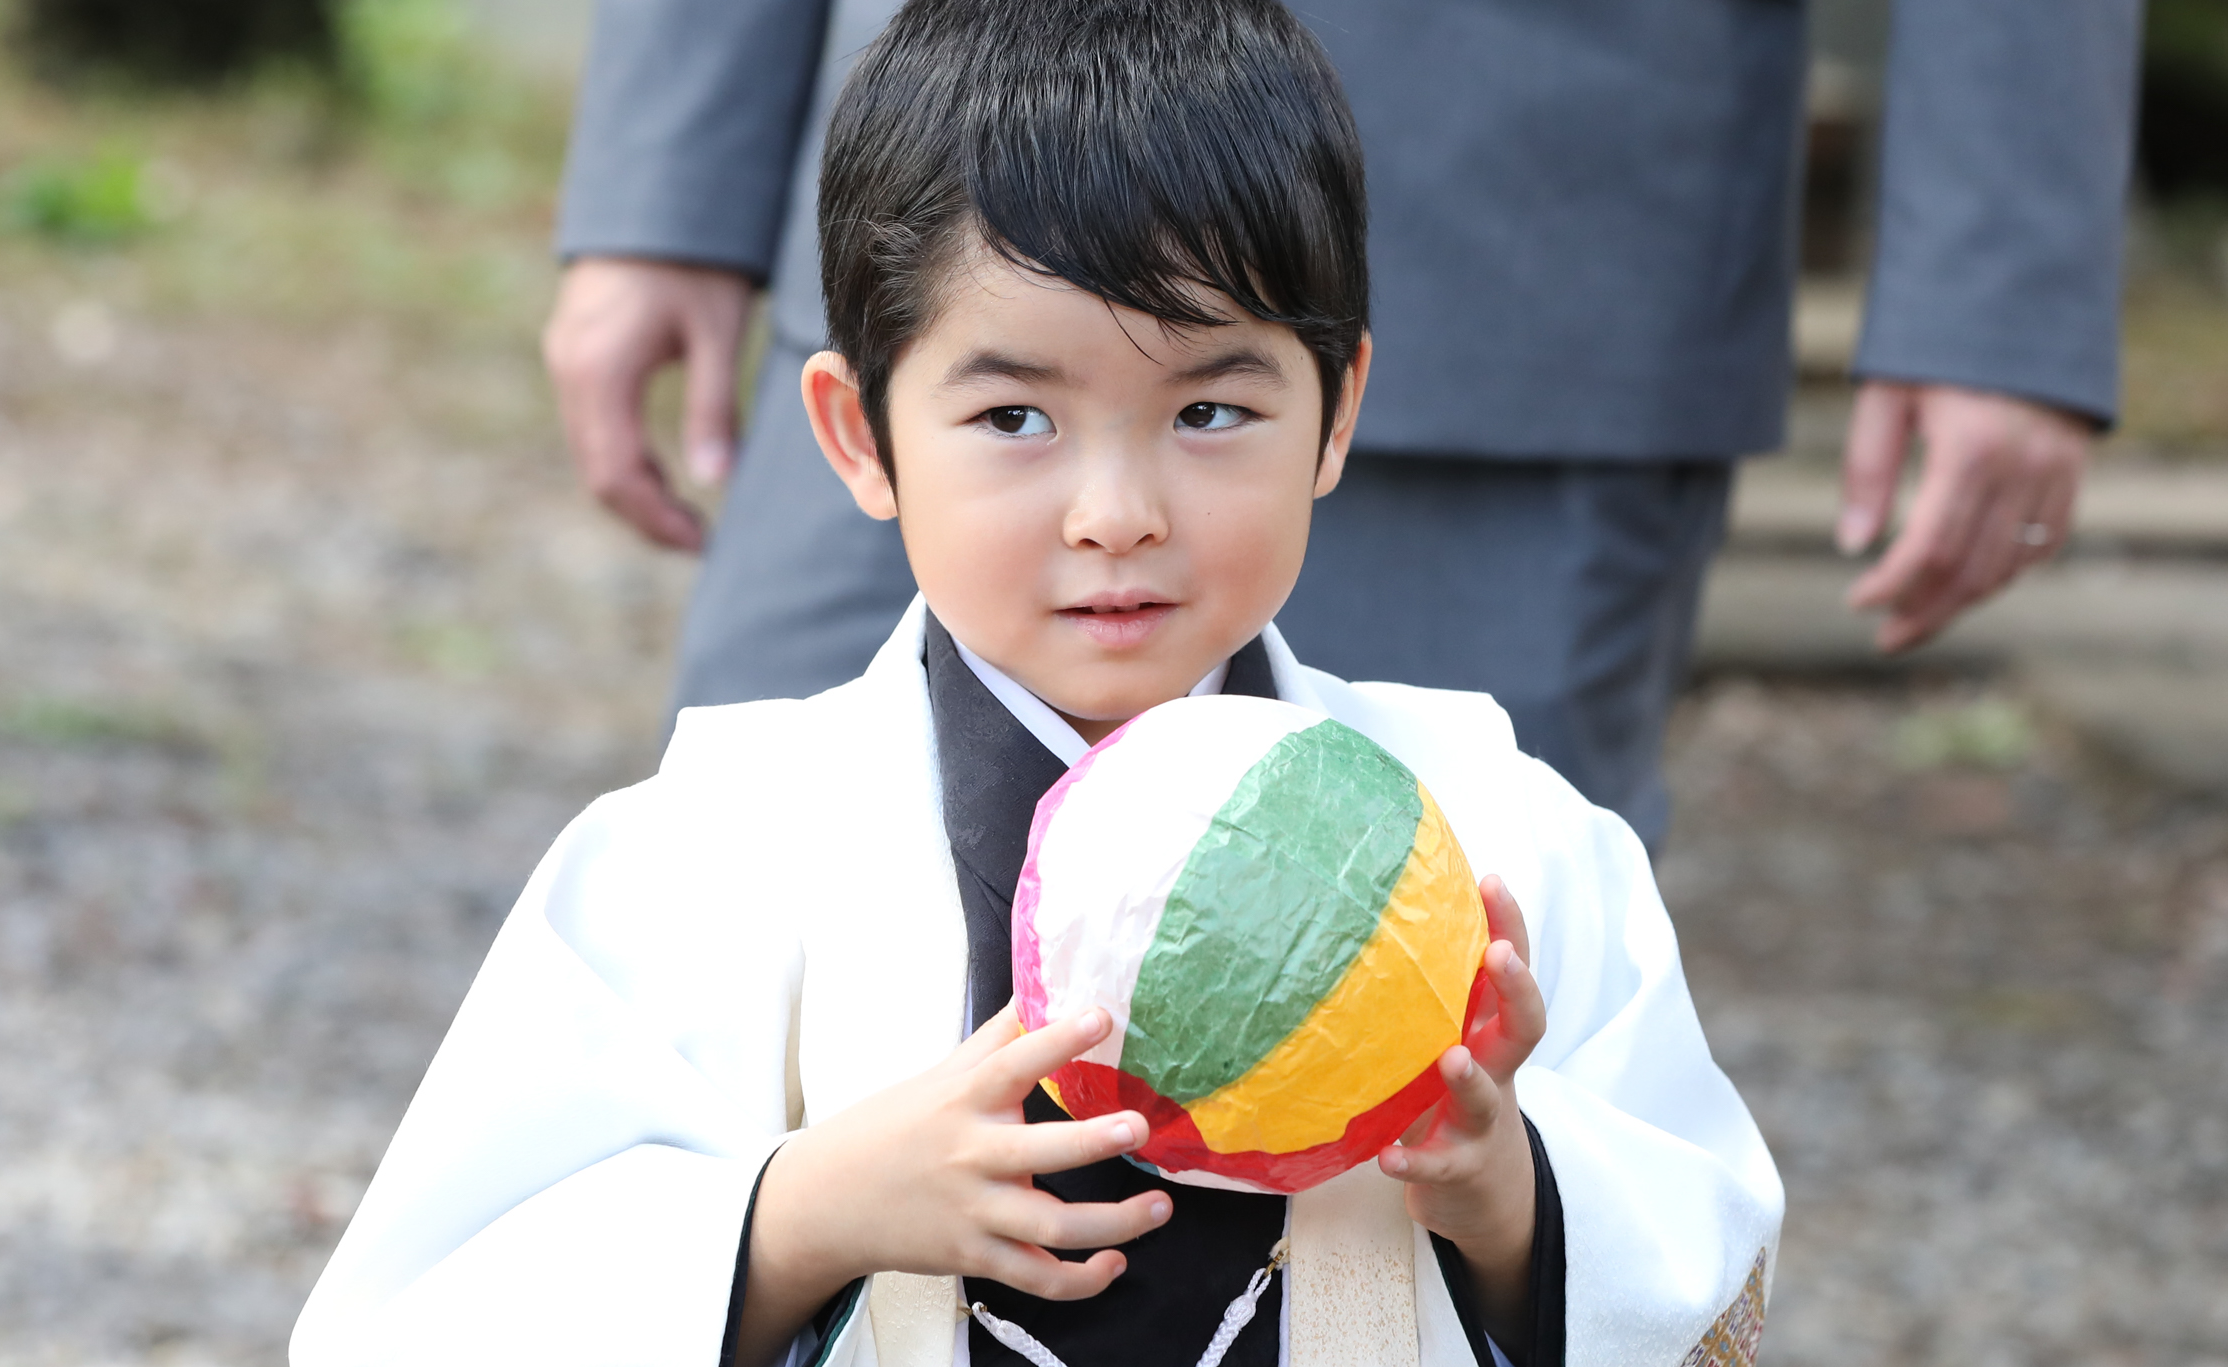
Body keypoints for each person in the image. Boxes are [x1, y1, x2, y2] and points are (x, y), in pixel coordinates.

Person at [293, 4, 1782, 1367]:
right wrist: (803, 1214)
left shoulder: (1496, 839)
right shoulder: (718, 850)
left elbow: (1684, 1283)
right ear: (858, 434)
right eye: (1015, 416)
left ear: (1338, 413)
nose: (1115, 513)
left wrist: (1508, 1194)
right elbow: (440, 1338)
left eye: (1212, 409)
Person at [545, 0, 2139, 851]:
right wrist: (668, 172)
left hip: (1519, 230)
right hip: (941, 198)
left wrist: (1998, 270)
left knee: (1444, 1054)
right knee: (755, 978)